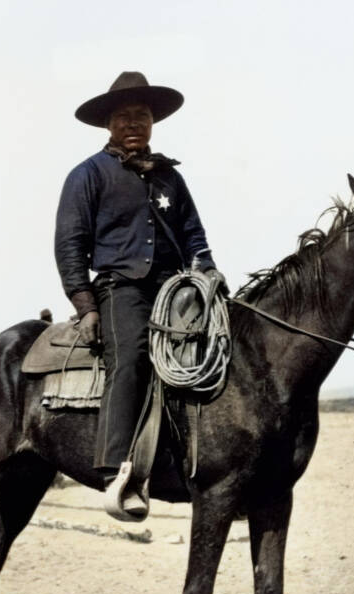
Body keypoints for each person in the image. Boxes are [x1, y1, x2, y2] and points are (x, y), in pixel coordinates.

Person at [54, 71, 225, 521]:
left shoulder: (170, 177)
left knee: (215, 353)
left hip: (174, 288)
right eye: (125, 117)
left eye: (143, 116)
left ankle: (210, 464)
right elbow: (70, 244)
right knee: (129, 357)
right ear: (109, 124)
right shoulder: (87, 175)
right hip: (120, 287)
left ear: (153, 123)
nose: (135, 124)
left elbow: (194, 234)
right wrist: (85, 305)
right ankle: (116, 472)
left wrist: (206, 269)